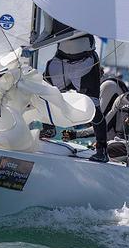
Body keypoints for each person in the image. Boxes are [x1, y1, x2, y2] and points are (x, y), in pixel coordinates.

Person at [43, 33, 109, 162]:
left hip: (85, 62)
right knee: (45, 93)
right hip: (60, 61)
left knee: (93, 106)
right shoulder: (55, 13)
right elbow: (47, 31)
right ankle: (48, 129)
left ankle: (102, 150)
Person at [61, 72, 128, 142]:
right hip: (111, 141)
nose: (79, 91)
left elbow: (101, 125)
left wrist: (75, 134)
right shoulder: (102, 86)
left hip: (117, 145)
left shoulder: (108, 86)